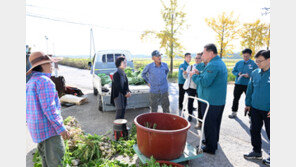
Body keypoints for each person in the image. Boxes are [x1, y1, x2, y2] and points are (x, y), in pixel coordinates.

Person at [26, 51, 70, 167]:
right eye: (48, 63)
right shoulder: (45, 81)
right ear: (41, 66)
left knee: (46, 161)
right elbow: (49, 109)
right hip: (48, 130)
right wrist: (61, 128)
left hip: (38, 131)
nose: (51, 65)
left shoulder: (31, 82)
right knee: (56, 162)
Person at [190, 44, 228, 154]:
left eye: (204, 53)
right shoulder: (215, 63)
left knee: (209, 124)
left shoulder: (213, 65)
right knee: (214, 124)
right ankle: (211, 142)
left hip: (211, 101)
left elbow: (205, 82)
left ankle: (210, 147)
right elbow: (207, 76)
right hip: (215, 100)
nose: (202, 55)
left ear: (211, 53)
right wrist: (200, 73)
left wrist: (194, 75)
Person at [243, 50, 270, 166]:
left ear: (269, 60)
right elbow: (250, 89)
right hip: (255, 108)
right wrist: (248, 104)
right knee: (254, 130)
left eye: (260, 61)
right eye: (256, 61)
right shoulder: (254, 73)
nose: (257, 63)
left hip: (269, 110)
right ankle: (257, 151)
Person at [229, 48, 258, 119]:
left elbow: (257, 74)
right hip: (238, 84)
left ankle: (251, 116)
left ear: (250, 55)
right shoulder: (238, 63)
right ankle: (234, 112)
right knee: (236, 98)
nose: (245, 57)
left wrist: (249, 76)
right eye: (244, 56)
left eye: (247, 56)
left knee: (249, 100)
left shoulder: (254, 64)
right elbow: (233, 71)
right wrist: (237, 74)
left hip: (248, 85)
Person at [183, 52, 205, 124]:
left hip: (200, 88)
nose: (197, 59)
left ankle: (200, 119)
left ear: (201, 59)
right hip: (191, 88)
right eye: (196, 58)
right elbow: (186, 77)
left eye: (199, 58)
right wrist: (185, 73)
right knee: (190, 102)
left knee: (200, 104)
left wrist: (198, 73)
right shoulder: (191, 66)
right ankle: (190, 115)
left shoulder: (204, 67)